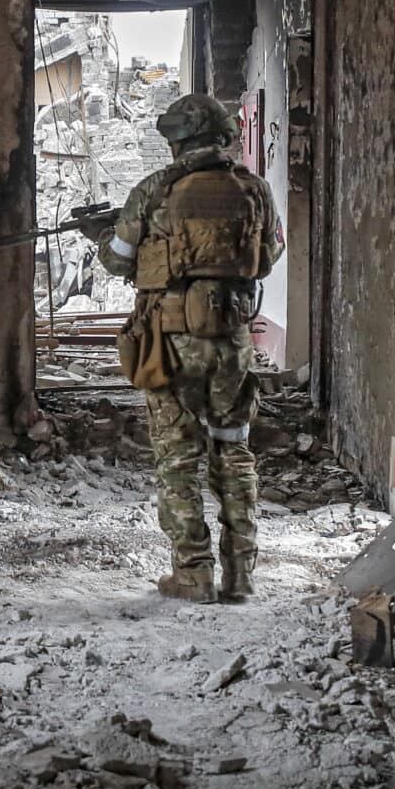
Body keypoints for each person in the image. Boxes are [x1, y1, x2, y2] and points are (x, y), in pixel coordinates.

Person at [87, 93, 284, 602]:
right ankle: (240, 575)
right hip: (233, 342)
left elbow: (118, 260)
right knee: (232, 450)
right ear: (222, 136)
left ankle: (193, 574)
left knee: (178, 457)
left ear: (176, 140)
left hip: (171, 344)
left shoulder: (155, 189)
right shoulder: (254, 189)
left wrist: (103, 235)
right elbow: (268, 256)